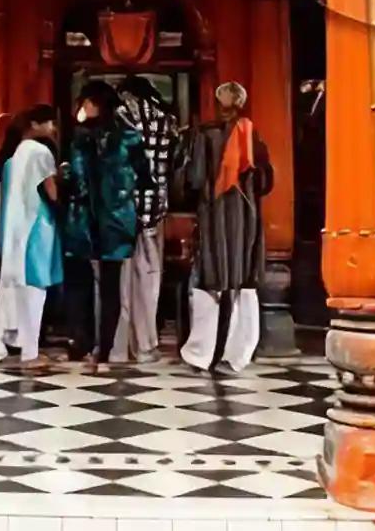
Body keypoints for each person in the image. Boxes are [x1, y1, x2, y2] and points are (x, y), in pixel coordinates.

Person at [180, 82, 270, 374]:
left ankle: (202, 354)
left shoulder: (204, 134)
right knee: (242, 280)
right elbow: (266, 181)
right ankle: (238, 353)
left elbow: (192, 180)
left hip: (215, 213)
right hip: (246, 217)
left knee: (211, 280)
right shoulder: (252, 134)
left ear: (218, 102)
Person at [60, 80, 146, 371]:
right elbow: (144, 178)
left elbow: (76, 182)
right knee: (111, 288)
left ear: (96, 104)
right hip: (117, 221)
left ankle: (82, 342)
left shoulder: (79, 139)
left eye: (86, 102)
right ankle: (105, 352)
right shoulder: (130, 139)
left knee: (79, 284)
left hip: (83, 220)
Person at [0, 105, 63, 369]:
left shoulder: (11, 158)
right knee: (35, 289)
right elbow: (52, 192)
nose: (53, 129)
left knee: (18, 289)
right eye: (50, 123)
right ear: (36, 124)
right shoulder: (40, 152)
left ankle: (19, 346)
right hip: (37, 226)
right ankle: (30, 353)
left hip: (14, 231)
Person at [111, 75, 179, 363]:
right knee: (149, 283)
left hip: (121, 210)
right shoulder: (166, 121)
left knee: (119, 285)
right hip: (154, 209)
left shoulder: (119, 119)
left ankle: (118, 348)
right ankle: (146, 346)